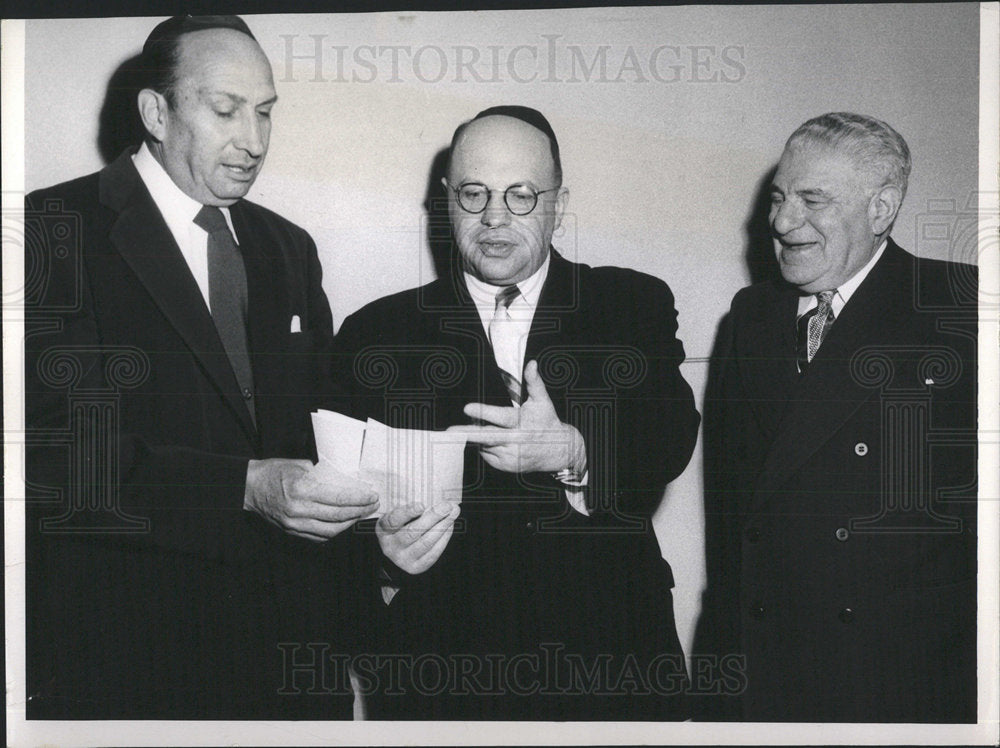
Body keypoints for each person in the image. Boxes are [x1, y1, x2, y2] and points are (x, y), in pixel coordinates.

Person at [24, 15, 379, 719]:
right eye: (225, 110)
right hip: (130, 665)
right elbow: (58, 451)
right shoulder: (52, 228)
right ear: (156, 112)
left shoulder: (288, 247)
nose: (254, 141)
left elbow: (323, 427)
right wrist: (242, 488)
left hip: (292, 665)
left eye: (265, 112)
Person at [332, 106, 700, 720]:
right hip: (445, 676)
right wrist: (381, 560)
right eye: (474, 194)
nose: (495, 217)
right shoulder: (376, 332)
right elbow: (334, 506)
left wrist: (576, 450)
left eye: (522, 195)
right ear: (446, 201)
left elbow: (669, 434)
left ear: (559, 201)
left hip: (611, 666)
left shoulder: (629, 303)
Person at [698, 112, 977, 722]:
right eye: (778, 198)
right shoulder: (750, 317)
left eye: (811, 200)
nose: (781, 221)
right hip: (766, 668)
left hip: (904, 677)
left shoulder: (963, 309)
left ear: (881, 210)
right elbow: (730, 512)